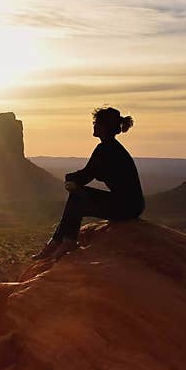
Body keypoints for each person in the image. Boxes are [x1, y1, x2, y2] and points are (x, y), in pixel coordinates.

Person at [33, 106, 145, 260]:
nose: (93, 125)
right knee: (77, 197)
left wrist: (68, 178)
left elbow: (85, 176)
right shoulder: (112, 147)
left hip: (127, 207)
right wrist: (73, 179)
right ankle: (59, 241)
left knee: (76, 198)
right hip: (130, 205)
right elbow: (88, 174)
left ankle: (62, 242)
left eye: (96, 122)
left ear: (103, 126)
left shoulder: (105, 149)